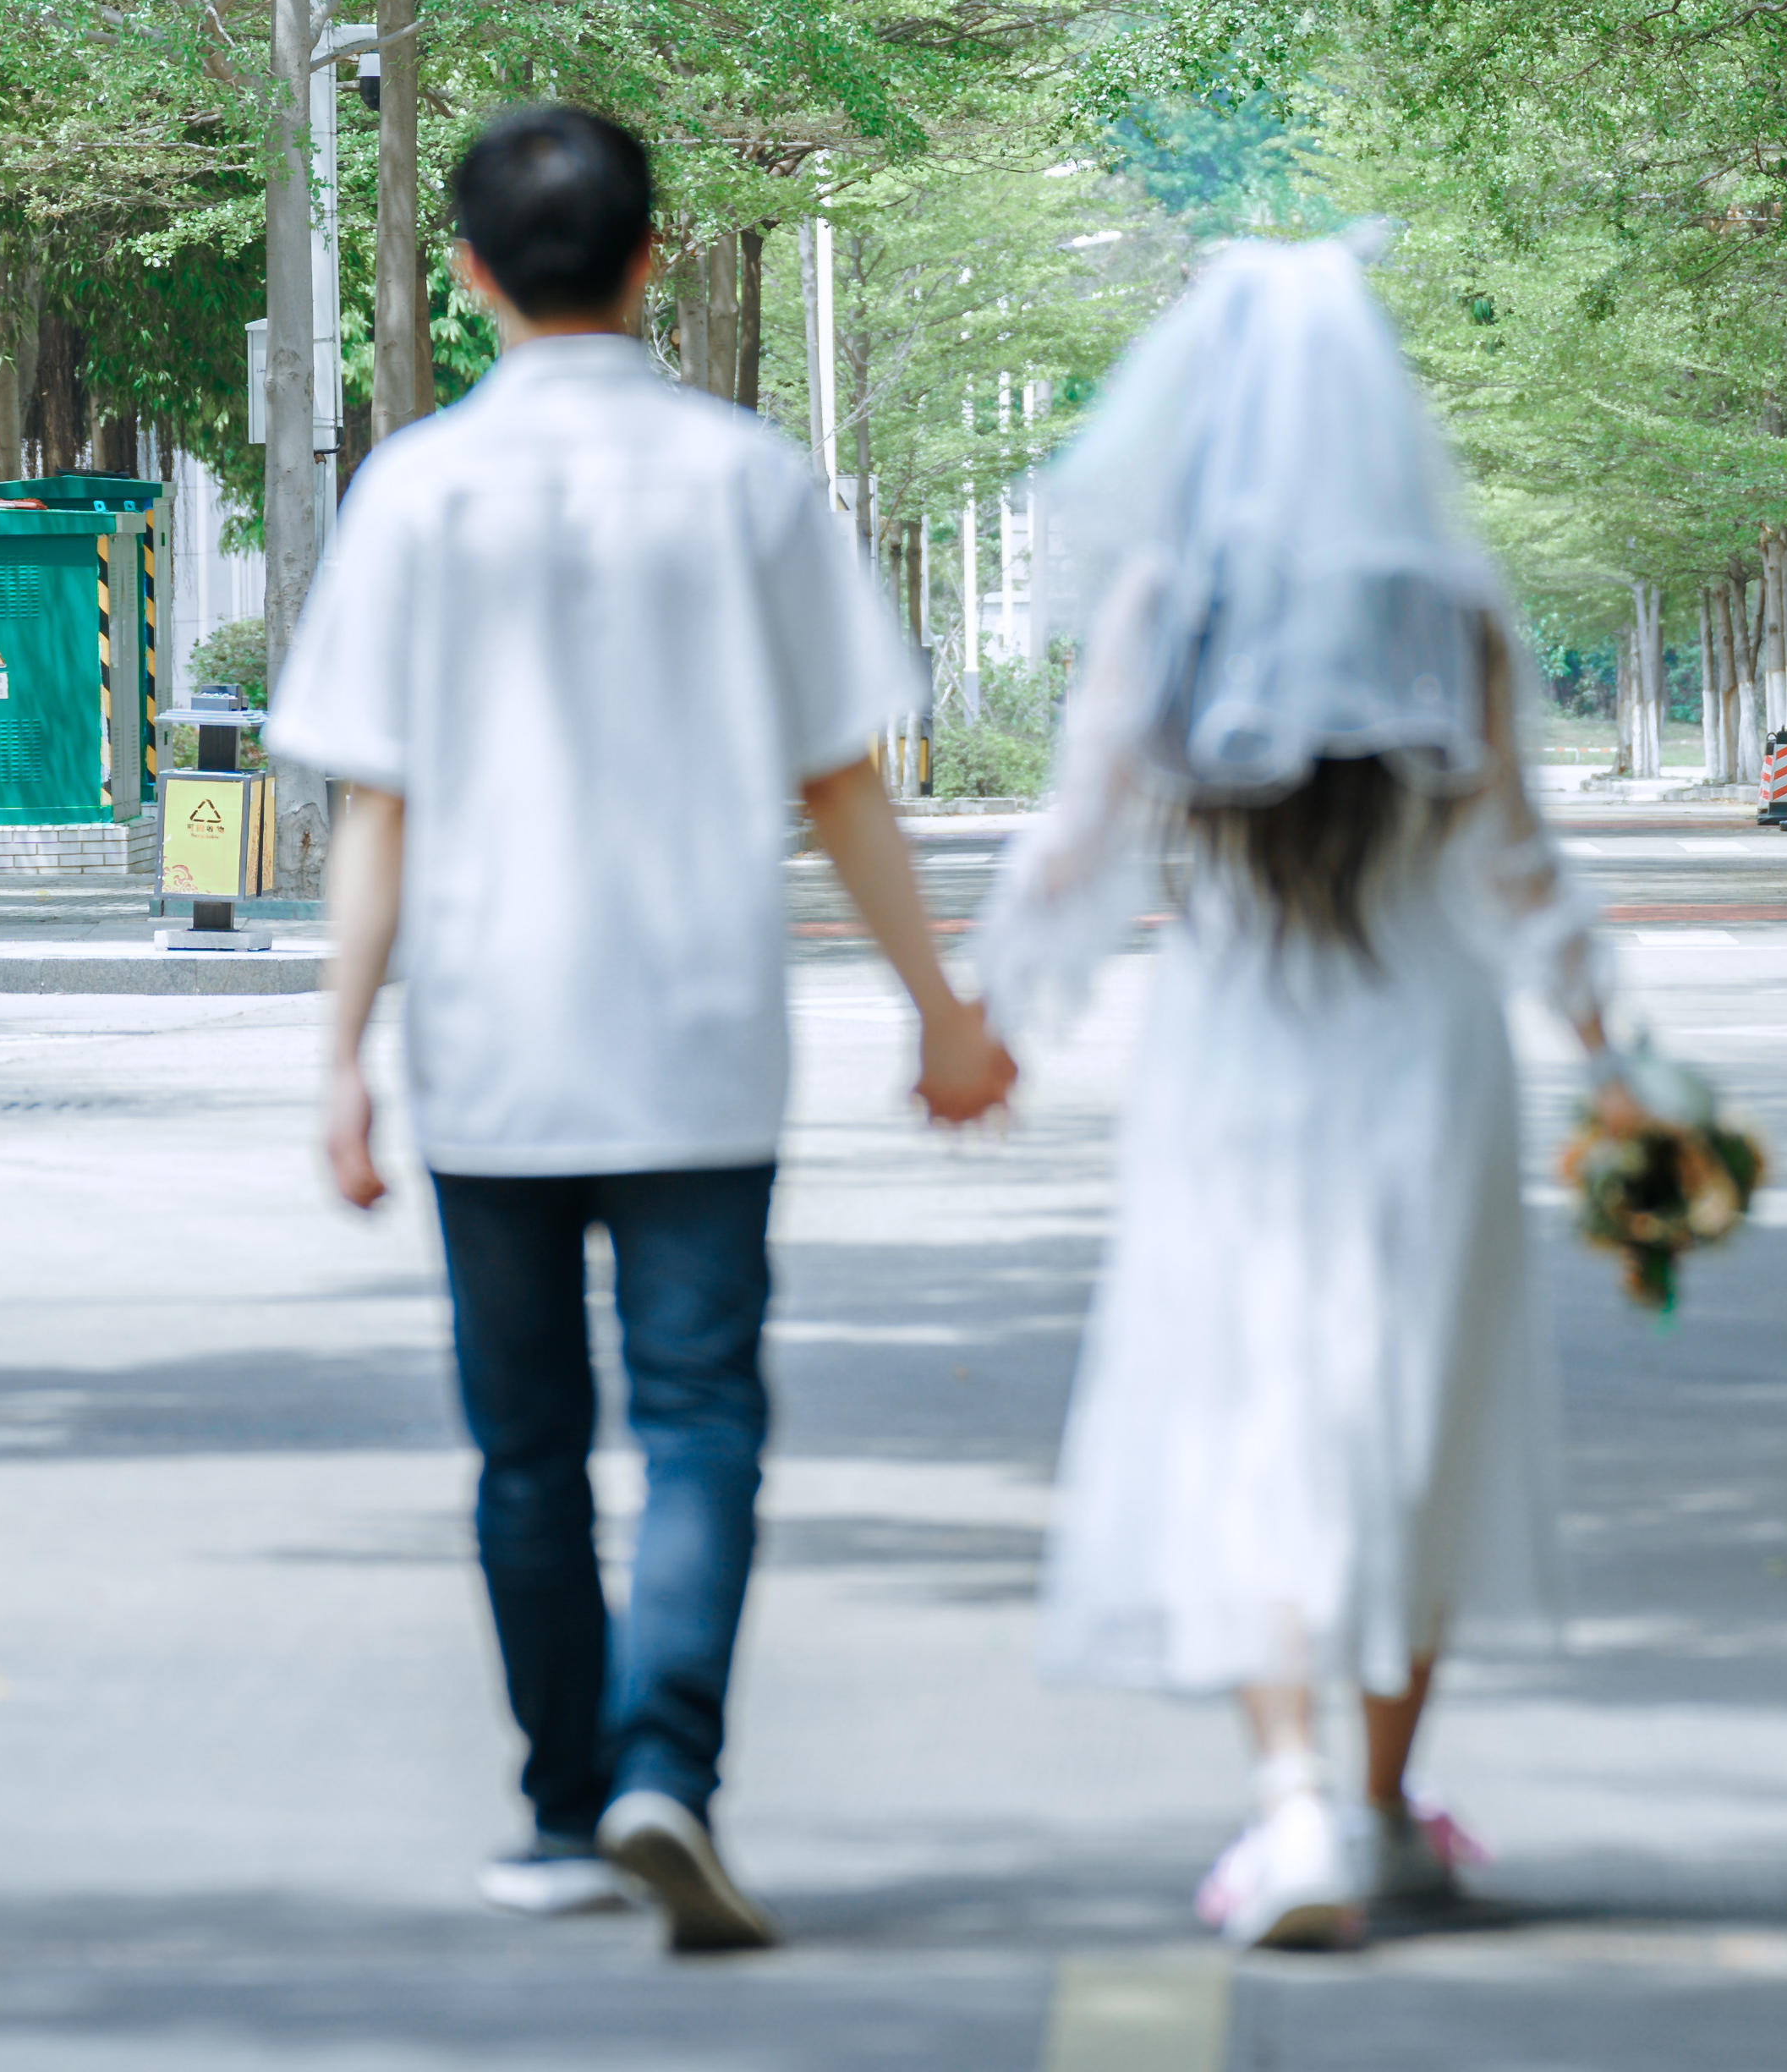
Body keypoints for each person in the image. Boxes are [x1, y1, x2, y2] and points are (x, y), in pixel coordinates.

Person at [272, 103, 1017, 1942]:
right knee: (699, 1421)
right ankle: (666, 1768)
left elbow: (381, 808)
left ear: (463, 274)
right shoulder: (744, 476)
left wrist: (341, 1059)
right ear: (653, 254)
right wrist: (943, 1006)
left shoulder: (418, 490)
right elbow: (839, 776)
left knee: (527, 1445)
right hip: (692, 1039)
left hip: (493, 1054)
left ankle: (557, 1804)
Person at [971, 234, 1612, 1953]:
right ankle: (1389, 1803)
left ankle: (1292, 1805)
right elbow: (1524, 867)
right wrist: (1624, 1058)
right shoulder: (1452, 611)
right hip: (1425, 1051)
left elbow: (1076, 842)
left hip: (1241, 1053)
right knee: (1415, 1410)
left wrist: (983, 1014)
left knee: (1255, 1412)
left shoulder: (1173, 604)